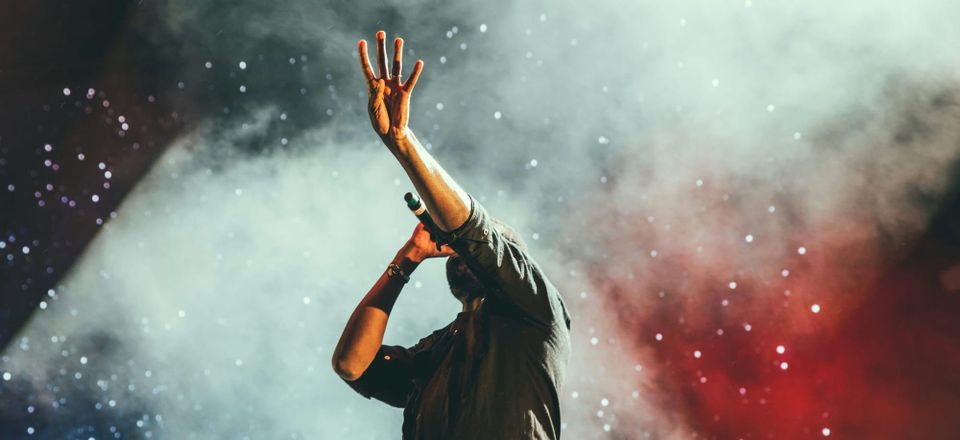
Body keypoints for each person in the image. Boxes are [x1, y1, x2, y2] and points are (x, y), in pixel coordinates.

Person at [332, 30, 572, 440]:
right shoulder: (437, 348)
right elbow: (352, 365)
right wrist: (407, 259)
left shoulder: (535, 307)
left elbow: (473, 229)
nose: (459, 249)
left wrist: (403, 144)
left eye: (472, 248)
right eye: (456, 248)